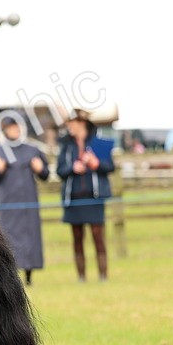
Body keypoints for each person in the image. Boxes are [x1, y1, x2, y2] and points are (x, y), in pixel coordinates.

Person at [0, 114, 49, 285]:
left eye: (17, 127)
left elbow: (45, 174)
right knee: (9, 238)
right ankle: (12, 276)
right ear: (4, 130)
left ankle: (29, 276)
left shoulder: (32, 150)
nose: (15, 130)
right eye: (10, 127)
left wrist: (40, 169)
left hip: (29, 204)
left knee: (30, 239)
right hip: (9, 204)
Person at [56, 108, 114, 281]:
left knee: (98, 237)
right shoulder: (66, 147)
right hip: (74, 198)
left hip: (94, 197)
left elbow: (110, 166)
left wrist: (96, 164)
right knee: (77, 238)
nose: (69, 127)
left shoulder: (98, 143)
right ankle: (81, 276)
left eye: (71, 123)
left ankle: (103, 275)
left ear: (81, 123)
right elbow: (60, 170)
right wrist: (72, 168)